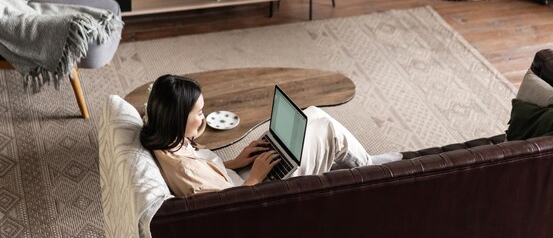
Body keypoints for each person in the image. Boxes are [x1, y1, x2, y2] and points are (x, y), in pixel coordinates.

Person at [140, 74, 402, 197]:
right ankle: (371, 170)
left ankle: (363, 161)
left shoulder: (164, 141)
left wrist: (234, 162)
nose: (203, 117)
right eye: (198, 112)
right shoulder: (184, 168)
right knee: (328, 131)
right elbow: (227, 207)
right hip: (257, 192)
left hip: (239, 177)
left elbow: (204, 174)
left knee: (312, 113)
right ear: (176, 118)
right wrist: (256, 174)